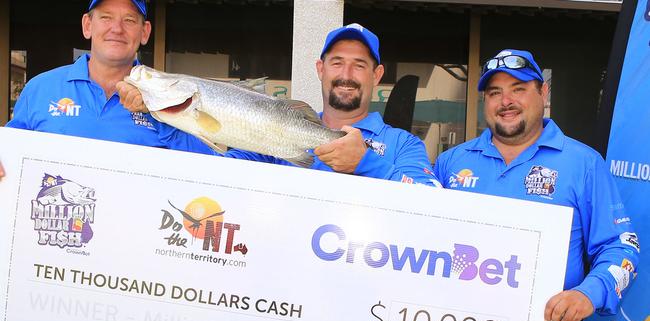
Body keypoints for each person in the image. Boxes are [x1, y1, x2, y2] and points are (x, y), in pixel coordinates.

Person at [433, 49, 640, 321]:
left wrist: (589, 293)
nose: (506, 101)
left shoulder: (583, 164)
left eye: (518, 89)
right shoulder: (451, 162)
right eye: (495, 93)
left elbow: (623, 247)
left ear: (543, 92)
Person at [117, 24, 440, 186]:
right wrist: (164, 118)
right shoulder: (276, 128)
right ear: (320, 69)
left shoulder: (403, 145)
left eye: (359, 64)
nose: (346, 74)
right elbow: (216, 164)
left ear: (377, 74)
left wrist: (367, 162)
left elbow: (432, 204)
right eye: (337, 62)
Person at [4, 0, 212, 155]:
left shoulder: (172, 100)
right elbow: (10, 156)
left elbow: (207, 168)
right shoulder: (40, 88)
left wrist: (161, 115)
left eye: (129, 20)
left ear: (145, 32)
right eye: (106, 17)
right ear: (87, 25)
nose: (117, 29)